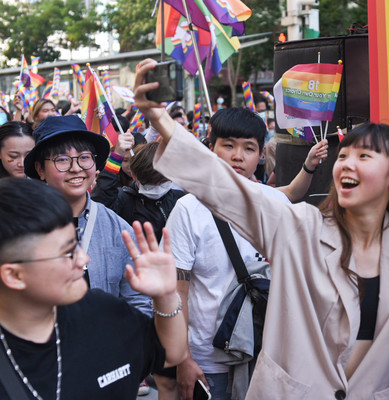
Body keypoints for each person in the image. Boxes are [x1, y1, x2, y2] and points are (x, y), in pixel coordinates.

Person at [136, 59, 389, 399]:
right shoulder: (297, 227)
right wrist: (161, 121)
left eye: (365, 156)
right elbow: (223, 188)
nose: (346, 165)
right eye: (345, 156)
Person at [167, 107, 325, 400]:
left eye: (248, 148)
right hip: (208, 360)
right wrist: (184, 359)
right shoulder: (187, 210)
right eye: (228, 145)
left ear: (261, 154)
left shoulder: (277, 203)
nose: (237, 156)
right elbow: (179, 292)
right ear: (210, 147)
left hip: (270, 356)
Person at [0, 177, 187, 398]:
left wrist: (165, 296)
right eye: (67, 253)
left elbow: (170, 355)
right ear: (14, 275)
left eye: (77, 241)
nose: (83, 259)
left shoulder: (104, 311)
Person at [24, 115, 152, 315]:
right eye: (62, 160)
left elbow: (138, 302)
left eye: (84, 157)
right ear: (40, 169)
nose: (76, 169)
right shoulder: (21, 228)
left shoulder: (119, 229)